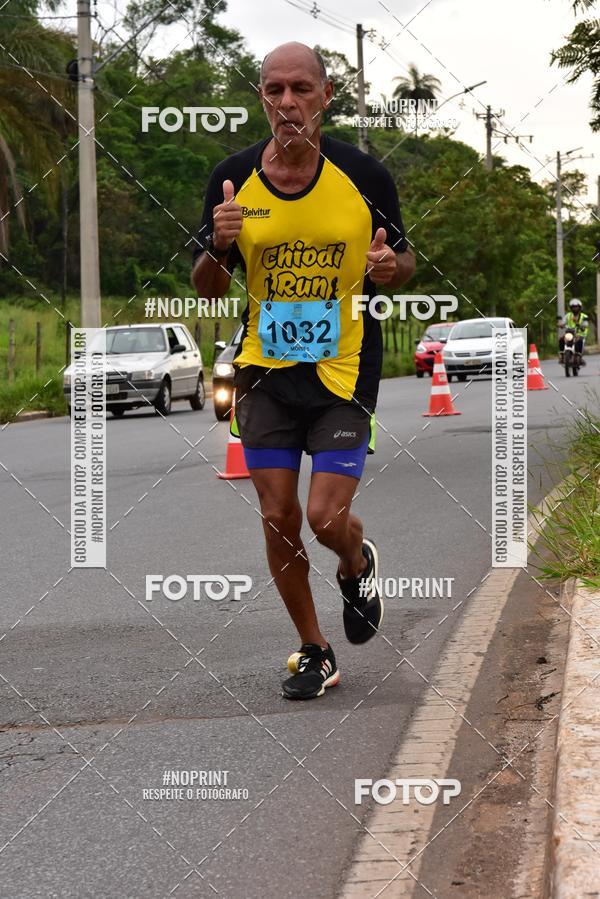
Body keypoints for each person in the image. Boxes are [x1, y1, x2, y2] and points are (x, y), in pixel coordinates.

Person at [192, 42, 415, 700]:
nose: (287, 103)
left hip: (343, 369)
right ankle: (315, 649)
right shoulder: (233, 179)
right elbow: (206, 288)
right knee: (278, 514)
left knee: (323, 517)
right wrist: (220, 242)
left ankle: (355, 559)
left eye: (300, 89)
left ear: (326, 94)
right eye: (274, 90)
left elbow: (403, 264)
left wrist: (386, 271)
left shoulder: (363, 176)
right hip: (265, 369)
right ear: (261, 96)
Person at [559, 298, 589, 363]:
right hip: (570, 333)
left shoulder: (584, 316)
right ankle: (562, 356)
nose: (575, 308)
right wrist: (561, 324)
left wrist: (577, 323)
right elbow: (563, 322)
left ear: (579, 307)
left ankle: (579, 356)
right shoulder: (568, 315)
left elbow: (585, 326)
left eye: (576, 307)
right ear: (571, 308)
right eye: (573, 307)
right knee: (561, 339)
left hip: (580, 334)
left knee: (580, 340)